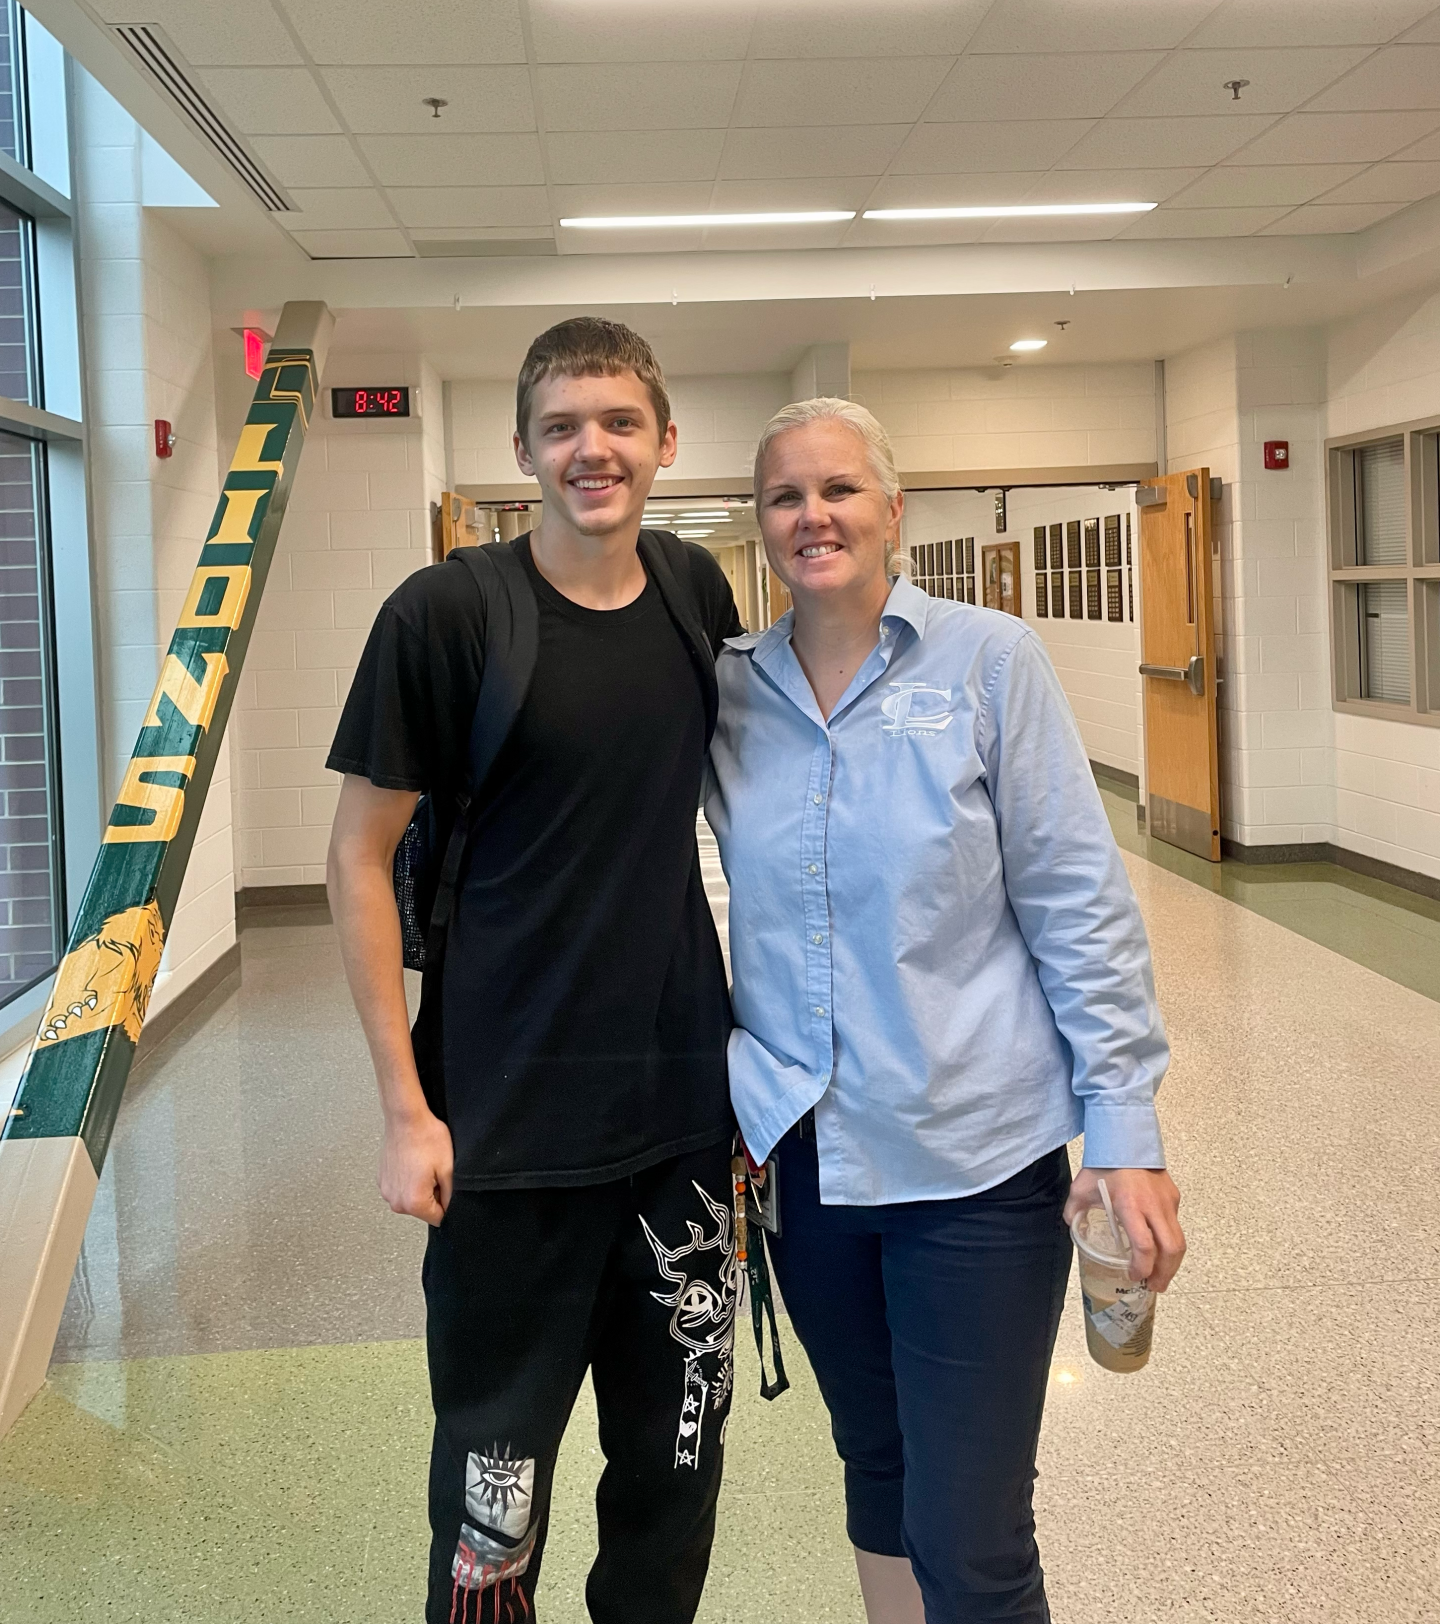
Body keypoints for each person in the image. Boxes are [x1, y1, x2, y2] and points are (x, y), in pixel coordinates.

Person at [704, 398, 1185, 1624]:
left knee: (971, 1530)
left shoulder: (988, 659)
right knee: (877, 1475)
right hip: (806, 1163)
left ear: (892, 509)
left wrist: (1124, 1127)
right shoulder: (730, 692)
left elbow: (1077, 899)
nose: (814, 516)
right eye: (784, 497)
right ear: (759, 526)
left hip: (971, 1160)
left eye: (840, 490)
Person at [324, 318, 743, 1624]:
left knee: (676, 1477)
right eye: (562, 425)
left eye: (619, 421)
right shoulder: (448, 616)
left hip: (681, 1131)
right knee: (491, 1501)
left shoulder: (695, 596)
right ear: (523, 448)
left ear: (665, 443)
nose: (592, 449)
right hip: (504, 1136)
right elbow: (355, 859)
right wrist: (405, 1111)